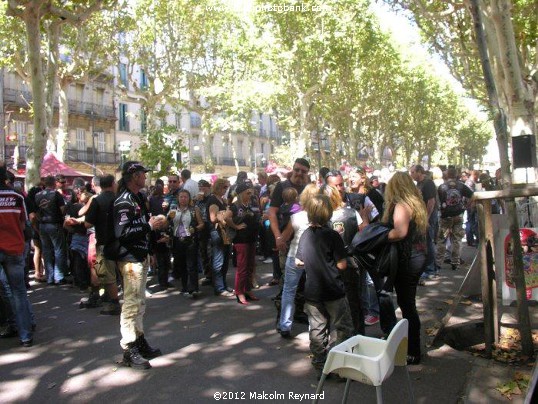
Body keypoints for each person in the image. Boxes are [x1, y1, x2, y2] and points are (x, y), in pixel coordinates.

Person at [113, 161, 168, 370]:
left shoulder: (138, 197)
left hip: (140, 256)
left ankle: (139, 340)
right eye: (142, 174)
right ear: (133, 176)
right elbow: (122, 234)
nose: (145, 177)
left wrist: (150, 249)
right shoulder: (124, 201)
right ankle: (129, 348)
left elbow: (143, 226)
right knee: (131, 304)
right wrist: (149, 225)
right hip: (129, 258)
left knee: (139, 304)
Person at [295, 194, 353, 378]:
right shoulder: (332, 235)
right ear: (328, 213)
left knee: (317, 329)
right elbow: (342, 264)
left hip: (312, 291)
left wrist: (313, 262)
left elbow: (298, 261)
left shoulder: (305, 235)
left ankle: (320, 364)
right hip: (333, 289)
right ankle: (338, 363)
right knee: (343, 327)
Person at [382, 171, 428, 364]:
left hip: (408, 259)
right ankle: (410, 346)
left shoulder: (401, 205)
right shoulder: (416, 204)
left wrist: (379, 236)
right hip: (417, 256)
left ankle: (414, 351)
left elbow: (400, 232)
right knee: (407, 303)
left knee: (407, 305)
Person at [277, 184, 320, 337]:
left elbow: (284, 238)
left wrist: (280, 242)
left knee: (289, 290)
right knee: (313, 292)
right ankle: (315, 326)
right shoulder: (321, 217)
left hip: (294, 256)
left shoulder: (296, 217)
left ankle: (285, 325)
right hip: (314, 259)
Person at [0, 164, 34, 346]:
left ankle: (10, 325)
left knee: (6, 292)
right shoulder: (16, 197)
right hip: (14, 248)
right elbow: (24, 225)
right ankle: (25, 335)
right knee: (19, 292)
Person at [83, 174, 121, 314]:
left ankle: (114, 304)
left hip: (104, 241)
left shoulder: (97, 200)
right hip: (121, 241)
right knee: (122, 273)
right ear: (112, 184)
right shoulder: (119, 199)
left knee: (109, 275)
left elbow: (88, 224)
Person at [228, 181, 260, 305]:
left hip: (251, 238)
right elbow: (226, 217)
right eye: (247, 193)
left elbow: (256, 216)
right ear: (240, 194)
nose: (250, 195)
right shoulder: (235, 206)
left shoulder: (251, 204)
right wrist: (235, 226)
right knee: (242, 267)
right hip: (241, 240)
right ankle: (239, 291)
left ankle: (247, 289)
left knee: (250, 266)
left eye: (251, 192)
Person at [436, 167, 474, 271]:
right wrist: (466, 206)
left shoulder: (441, 187)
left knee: (442, 239)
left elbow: (438, 201)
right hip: (458, 215)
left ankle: (438, 262)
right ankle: (455, 262)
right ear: (456, 175)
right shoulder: (461, 185)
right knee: (457, 239)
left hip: (445, 217)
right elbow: (472, 195)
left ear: (447, 175)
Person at [269, 158, 311, 252]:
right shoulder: (281, 186)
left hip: (303, 239)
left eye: (303, 171)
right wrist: (278, 236)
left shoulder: (309, 189)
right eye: (297, 170)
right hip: (282, 238)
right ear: (293, 169)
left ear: (307, 173)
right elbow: (272, 212)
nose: (299, 173)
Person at [170, 189, 204, 297]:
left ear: (189, 198)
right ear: (178, 198)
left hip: (190, 240)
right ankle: (185, 287)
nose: (183, 199)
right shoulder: (173, 210)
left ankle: (193, 288)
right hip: (177, 240)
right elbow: (168, 223)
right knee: (182, 265)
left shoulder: (194, 209)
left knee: (191, 265)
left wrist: (195, 228)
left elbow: (201, 224)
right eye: (181, 197)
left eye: (185, 197)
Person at [35, 175, 68, 285]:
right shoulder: (56, 194)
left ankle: (49, 277)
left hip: (43, 225)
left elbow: (35, 213)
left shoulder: (37, 195)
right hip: (55, 224)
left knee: (46, 251)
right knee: (58, 250)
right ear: (54, 183)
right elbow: (62, 210)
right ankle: (58, 277)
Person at [410, 165, 439, 284]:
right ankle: (429, 268)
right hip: (422, 217)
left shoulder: (428, 183)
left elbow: (431, 201)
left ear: (419, 172)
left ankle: (431, 270)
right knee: (424, 242)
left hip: (428, 217)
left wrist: (426, 218)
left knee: (428, 241)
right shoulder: (418, 184)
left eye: (412, 172)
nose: (411, 174)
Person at [207, 178, 234, 297]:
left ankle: (222, 285)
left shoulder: (221, 199)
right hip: (217, 232)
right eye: (224, 187)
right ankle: (219, 287)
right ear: (218, 187)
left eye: (227, 187)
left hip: (223, 232)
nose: (226, 189)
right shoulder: (213, 199)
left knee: (225, 259)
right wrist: (223, 215)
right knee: (218, 261)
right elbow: (213, 218)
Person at [195, 180, 212, 286]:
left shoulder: (211, 198)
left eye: (203, 188)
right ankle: (208, 275)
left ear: (208, 188)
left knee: (211, 252)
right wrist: (195, 201)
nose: (201, 190)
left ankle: (213, 275)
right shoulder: (197, 201)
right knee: (203, 252)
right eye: (200, 188)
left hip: (210, 227)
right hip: (202, 228)